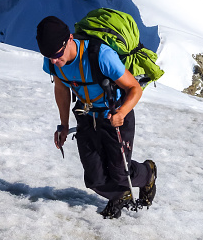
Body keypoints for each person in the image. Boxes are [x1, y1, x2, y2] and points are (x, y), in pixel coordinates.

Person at [36, 16, 157, 219]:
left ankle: (148, 173)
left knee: (119, 172)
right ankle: (120, 195)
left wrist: (122, 113)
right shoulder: (53, 60)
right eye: (48, 57)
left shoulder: (100, 55)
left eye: (57, 55)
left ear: (70, 40)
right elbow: (61, 89)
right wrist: (64, 125)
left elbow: (134, 88)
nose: (54, 61)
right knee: (94, 177)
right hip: (86, 116)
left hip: (115, 115)